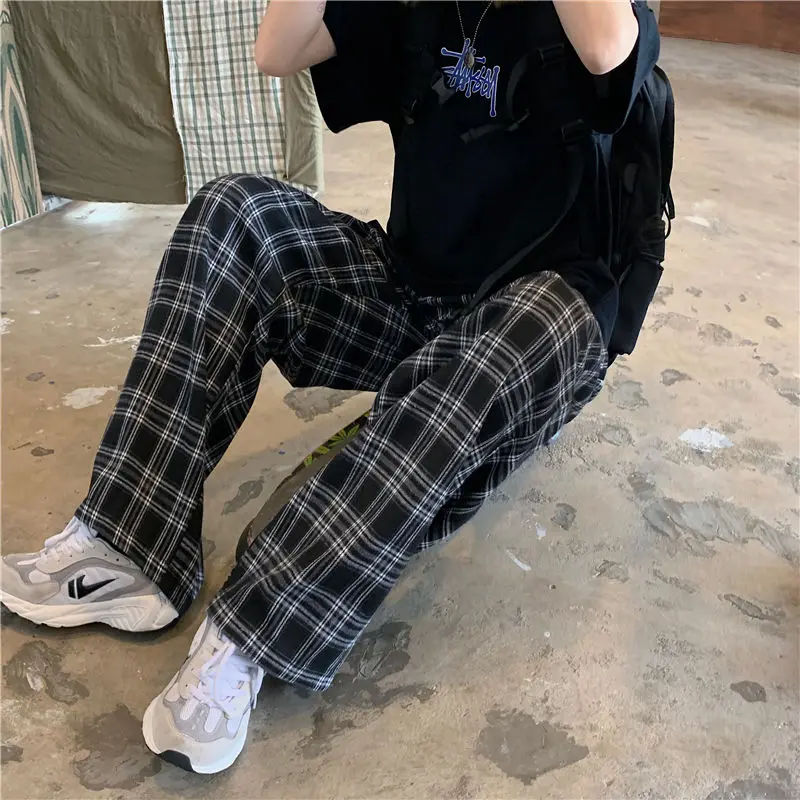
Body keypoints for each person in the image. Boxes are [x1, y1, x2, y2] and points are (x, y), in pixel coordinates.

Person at [1, 0, 659, 775]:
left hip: (535, 332)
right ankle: (130, 542)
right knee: (235, 213)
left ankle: (251, 630)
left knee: (513, 337)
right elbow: (279, 50)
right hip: (413, 298)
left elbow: (608, 49)